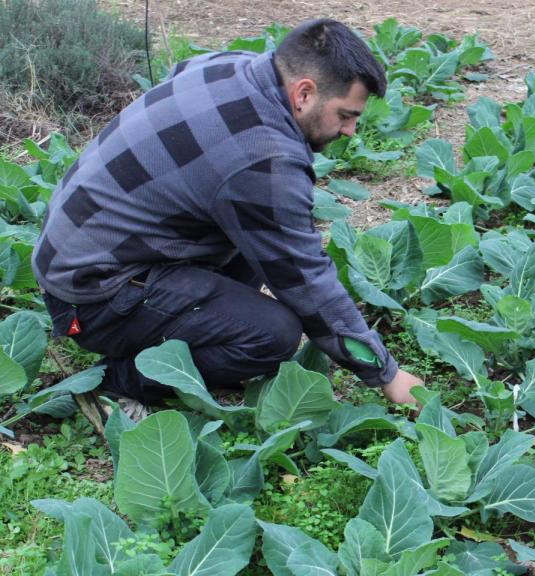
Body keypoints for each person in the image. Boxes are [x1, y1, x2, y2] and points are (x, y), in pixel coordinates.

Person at [32, 19, 424, 408]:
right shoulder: (263, 157)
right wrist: (386, 374)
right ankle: (123, 380)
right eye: (345, 115)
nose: (351, 130)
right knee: (274, 335)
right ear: (304, 93)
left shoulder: (230, 65)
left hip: (81, 253)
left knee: (258, 237)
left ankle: (183, 328)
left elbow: (180, 72)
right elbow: (307, 281)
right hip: (94, 297)